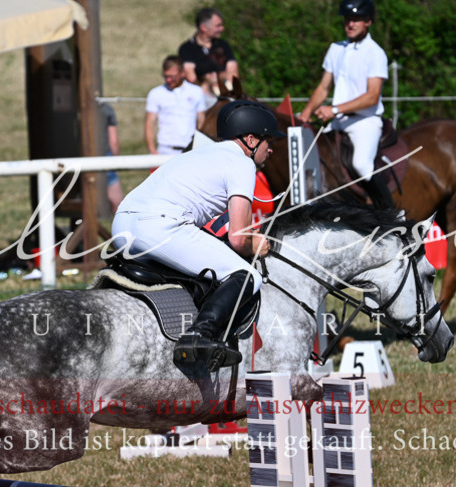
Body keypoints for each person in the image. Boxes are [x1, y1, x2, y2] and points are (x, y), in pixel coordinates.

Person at [111, 100, 281, 372]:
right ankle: (198, 336)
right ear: (250, 139)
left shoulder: (196, 154)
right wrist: (255, 244)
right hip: (160, 228)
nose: (270, 148)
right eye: (267, 141)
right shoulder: (241, 163)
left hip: (121, 226)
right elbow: (239, 239)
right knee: (248, 276)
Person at [297, 0, 393, 209]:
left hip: (365, 121)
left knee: (361, 164)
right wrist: (304, 114)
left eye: (356, 19)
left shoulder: (375, 53)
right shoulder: (335, 49)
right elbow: (323, 88)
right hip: (338, 121)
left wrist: (334, 109)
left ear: (368, 22)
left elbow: (372, 96)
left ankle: (390, 212)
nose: (350, 24)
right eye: (348, 19)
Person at [145, 56, 207, 156]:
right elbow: (149, 123)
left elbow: (201, 121)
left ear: (182, 73)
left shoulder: (196, 91)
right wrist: (152, 150)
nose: (168, 80)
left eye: (172, 76)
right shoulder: (156, 93)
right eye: (166, 76)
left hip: (190, 149)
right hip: (165, 150)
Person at [179, 8, 239, 93]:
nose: (222, 28)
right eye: (218, 26)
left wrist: (219, 78)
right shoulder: (187, 49)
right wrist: (207, 81)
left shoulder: (223, 45)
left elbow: (233, 75)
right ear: (203, 27)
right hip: (201, 96)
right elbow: (191, 78)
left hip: (226, 93)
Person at [101, 101, 124, 214]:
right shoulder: (106, 108)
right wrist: (116, 163)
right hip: (106, 158)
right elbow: (113, 142)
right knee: (118, 205)